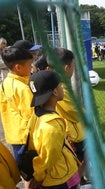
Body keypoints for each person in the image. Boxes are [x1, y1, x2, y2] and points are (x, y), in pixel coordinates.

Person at [34, 48, 89, 185]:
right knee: (77, 165)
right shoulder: (60, 89)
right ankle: (77, 181)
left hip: (68, 138)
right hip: (73, 138)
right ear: (67, 67)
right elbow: (78, 114)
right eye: (73, 66)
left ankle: (78, 180)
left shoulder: (47, 83)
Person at [27, 70, 81, 188]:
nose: (62, 88)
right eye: (60, 85)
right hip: (59, 178)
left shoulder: (36, 114)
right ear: (55, 92)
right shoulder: (52, 126)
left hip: (59, 173)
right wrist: (38, 178)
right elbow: (47, 158)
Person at [0, 46, 34, 188]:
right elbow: (31, 115)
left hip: (14, 136)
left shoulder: (5, 83)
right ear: (18, 67)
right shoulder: (22, 88)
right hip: (26, 136)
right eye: (29, 65)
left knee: (25, 172)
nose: (31, 68)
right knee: (32, 174)